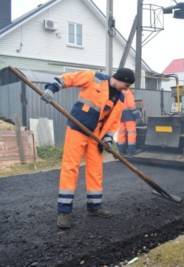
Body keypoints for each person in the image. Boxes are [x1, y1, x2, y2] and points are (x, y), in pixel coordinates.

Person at [42, 68, 135, 229]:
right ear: (118, 78)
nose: (126, 89)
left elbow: (114, 122)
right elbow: (69, 78)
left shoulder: (120, 97)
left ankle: (94, 207)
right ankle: (64, 212)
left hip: (96, 135)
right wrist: (51, 89)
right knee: (70, 168)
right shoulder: (94, 78)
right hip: (77, 128)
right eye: (125, 85)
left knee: (96, 169)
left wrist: (107, 138)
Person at [117, 89, 138, 156]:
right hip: (129, 115)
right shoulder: (128, 92)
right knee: (131, 133)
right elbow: (131, 105)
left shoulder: (118, 91)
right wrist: (137, 115)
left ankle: (121, 151)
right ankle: (131, 151)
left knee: (121, 133)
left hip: (120, 115)